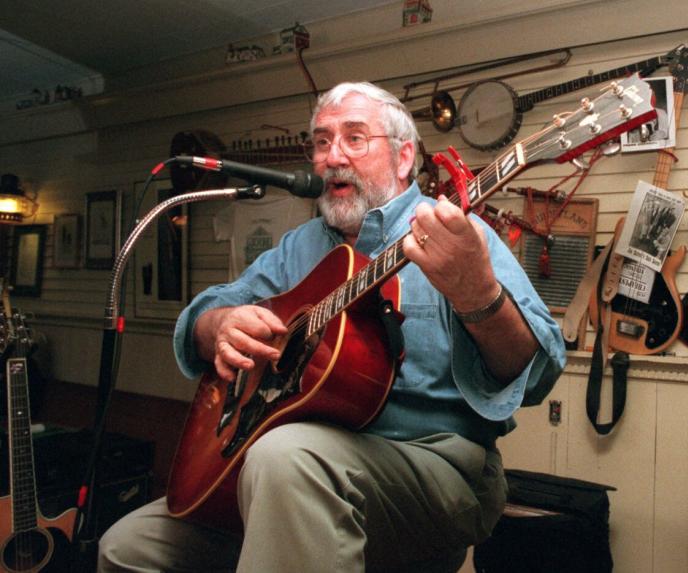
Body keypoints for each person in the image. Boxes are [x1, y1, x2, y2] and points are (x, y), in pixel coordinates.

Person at [97, 81, 566, 572]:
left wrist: (477, 296)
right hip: (288, 472)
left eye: (354, 138)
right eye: (321, 142)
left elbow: (537, 374)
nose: (332, 156)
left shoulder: (458, 234)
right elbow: (206, 312)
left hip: (435, 465)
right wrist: (217, 326)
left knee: (284, 458)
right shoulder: (298, 247)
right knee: (127, 547)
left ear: (404, 157)